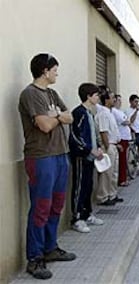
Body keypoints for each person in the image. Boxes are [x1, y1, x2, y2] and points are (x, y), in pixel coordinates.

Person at [18, 53, 76, 280]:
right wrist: (57, 117)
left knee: (56, 205)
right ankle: (34, 259)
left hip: (61, 155)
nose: (57, 73)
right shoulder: (30, 94)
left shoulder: (52, 93)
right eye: (55, 70)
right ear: (45, 71)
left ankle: (50, 248)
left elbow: (69, 116)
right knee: (41, 207)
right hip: (41, 157)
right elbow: (43, 125)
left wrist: (58, 115)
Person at [69, 83, 105, 233]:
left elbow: (92, 133)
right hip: (80, 156)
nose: (98, 98)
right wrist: (90, 149)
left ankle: (87, 213)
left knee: (88, 185)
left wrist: (98, 147)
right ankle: (77, 218)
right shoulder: (78, 113)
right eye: (96, 95)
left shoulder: (90, 113)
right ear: (88, 96)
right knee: (79, 186)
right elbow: (75, 137)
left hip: (91, 157)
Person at [95, 87, 123, 205]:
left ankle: (112, 194)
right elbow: (103, 132)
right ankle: (103, 197)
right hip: (108, 146)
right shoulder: (103, 114)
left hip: (113, 145)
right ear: (106, 100)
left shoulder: (109, 113)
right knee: (107, 173)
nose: (115, 100)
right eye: (112, 98)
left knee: (113, 172)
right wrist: (107, 147)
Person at [112, 94, 131, 186]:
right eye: (118, 100)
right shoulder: (114, 111)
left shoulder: (120, 111)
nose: (120, 102)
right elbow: (125, 121)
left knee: (124, 159)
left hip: (125, 137)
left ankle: (123, 177)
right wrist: (127, 121)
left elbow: (127, 120)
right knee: (122, 160)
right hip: (121, 137)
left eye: (120, 100)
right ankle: (121, 179)